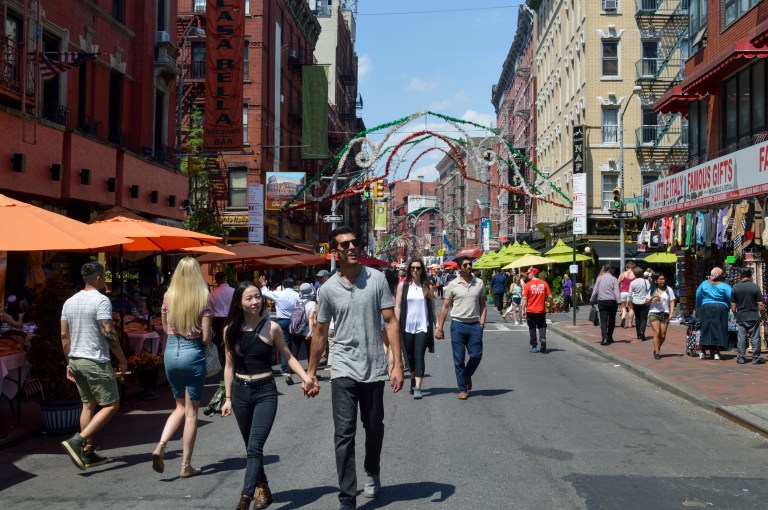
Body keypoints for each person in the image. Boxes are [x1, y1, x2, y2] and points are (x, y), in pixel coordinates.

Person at [307, 226, 404, 510]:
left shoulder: (376, 279)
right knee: (344, 433)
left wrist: (398, 365)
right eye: (345, 244)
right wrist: (311, 372)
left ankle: (372, 470)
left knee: (374, 427)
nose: (352, 247)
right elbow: (320, 332)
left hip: (373, 365)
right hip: (342, 367)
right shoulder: (327, 289)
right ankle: (347, 498)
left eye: (354, 242)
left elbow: (391, 321)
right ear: (335, 252)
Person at [221, 281, 316, 510]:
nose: (255, 302)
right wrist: (228, 398)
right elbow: (229, 366)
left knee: (255, 446)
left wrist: (306, 377)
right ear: (239, 303)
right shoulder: (229, 330)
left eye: (258, 296)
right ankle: (263, 487)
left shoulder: (272, 327)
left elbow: (288, 356)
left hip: (265, 392)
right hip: (240, 392)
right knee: (251, 447)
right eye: (249, 298)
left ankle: (245, 498)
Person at [60, 261, 128, 471]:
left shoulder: (69, 302)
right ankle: (78, 441)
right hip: (95, 360)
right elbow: (108, 332)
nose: (105, 280)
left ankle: (87, 452)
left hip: (76, 359)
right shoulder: (101, 300)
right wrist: (122, 358)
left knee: (88, 404)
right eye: (104, 276)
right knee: (111, 404)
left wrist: (69, 361)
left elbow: (64, 336)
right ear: (98, 278)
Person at [151, 257, 212, 478]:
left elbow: (165, 327)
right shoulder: (203, 296)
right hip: (192, 351)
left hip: (171, 352)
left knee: (178, 406)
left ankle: (161, 445)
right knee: (191, 412)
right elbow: (206, 337)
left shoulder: (168, 295)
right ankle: (186, 465)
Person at [435, 256, 486, 400]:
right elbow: (445, 307)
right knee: (459, 359)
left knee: (476, 355)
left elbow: (483, 305)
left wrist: (482, 323)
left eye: (470, 264)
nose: (469, 267)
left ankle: (467, 374)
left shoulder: (479, 283)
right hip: (457, 325)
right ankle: (462, 389)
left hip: (475, 325)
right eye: (465, 265)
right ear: (459, 268)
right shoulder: (453, 284)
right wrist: (440, 328)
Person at [395, 257, 436, 400]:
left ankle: (418, 387)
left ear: (422, 270)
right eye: (413, 268)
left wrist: (437, 326)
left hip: (423, 327)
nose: (415, 270)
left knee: (419, 355)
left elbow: (432, 309)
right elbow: (398, 306)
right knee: (410, 357)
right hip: (407, 326)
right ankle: (413, 378)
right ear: (409, 270)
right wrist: (395, 325)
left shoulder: (427, 286)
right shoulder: (403, 285)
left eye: (418, 268)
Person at [258, 276, 300, 385]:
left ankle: (285, 366)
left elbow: (265, 293)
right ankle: (293, 366)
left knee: (284, 344)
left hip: (282, 321)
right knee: (295, 345)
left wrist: (263, 285)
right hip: (295, 321)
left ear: (283, 286)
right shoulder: (297, 295)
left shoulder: (279, 294)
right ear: (293, 285)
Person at [731, 267, 766, 365]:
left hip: (741, 316)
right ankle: (756, 358)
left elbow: (733, 305)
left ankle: (741, 358)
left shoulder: (735, 287)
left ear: (740, 276)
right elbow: (761, 305)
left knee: (741, 338)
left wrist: (735, 315)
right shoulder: (755, 287)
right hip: (753, 316)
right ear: (750, 276)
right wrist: (762, 316)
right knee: (755, 338)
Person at [695, 267, 731, 360]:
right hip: (720, 308)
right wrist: (729, 306)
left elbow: (698, 295)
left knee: (705, 328)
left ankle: (702, 351)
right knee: (718, 328)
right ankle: (716, 352)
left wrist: (699, 306)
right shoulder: (724, 286)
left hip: (706, 307)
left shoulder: (704, 284)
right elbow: (731, 296)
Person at [520, 267, 552, 353]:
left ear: (532, 274)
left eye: (529, 274)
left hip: (531, 311)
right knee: (542, 326)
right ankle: (542, 338)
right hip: (541, 310)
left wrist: (522, 310)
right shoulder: (544, 284)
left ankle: (534, 347)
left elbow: (524, 299)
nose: (528, 275)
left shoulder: (528, 285)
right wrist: (550, 307)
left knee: (532, 328)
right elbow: (550, 297)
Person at [590, 265, 621, 345]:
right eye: (613, 269)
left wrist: (592, 300)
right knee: (612, 319)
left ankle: (604, 338)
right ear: (610, 269)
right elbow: (617, 292)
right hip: (612, 301)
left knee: (603, 320)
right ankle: (610, 337)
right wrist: (619, 302)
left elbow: (595, 290)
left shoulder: (599, 279)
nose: (614, 271)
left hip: (602, 301)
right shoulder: (614, 279)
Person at [649, 272, 676, 360]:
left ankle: (657, 348)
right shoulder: (652, 289)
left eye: (663, 279)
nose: (662, 281)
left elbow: (672, 301)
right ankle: (657, 352)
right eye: (660, 279)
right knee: (657, 332)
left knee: (663, 335)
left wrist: (671, 312)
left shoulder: (668, 289)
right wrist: (652, 297)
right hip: (654, 313)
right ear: (656, 281)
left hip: (665, 313)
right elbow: (646, 302)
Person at [209, 271, 235, 362]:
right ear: (226, 278)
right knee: (232, 338)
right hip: (231, 318)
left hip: (218, 320)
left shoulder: (213, 294)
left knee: (220, 340)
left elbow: (210, 310)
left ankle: (223, 359)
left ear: (216, 280)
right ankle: (232, 357)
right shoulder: (233, 291)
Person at [291, 283, 317, 364]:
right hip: (306, 330)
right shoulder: (312, 303)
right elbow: (311, 317)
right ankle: (310, 370)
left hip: (296, 329)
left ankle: (291, 370)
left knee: (295, 351)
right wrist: (311, 331)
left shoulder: (296, 302)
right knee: (310, 351)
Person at [628, 266, 651, 341]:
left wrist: (629, 302)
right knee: (644, 318)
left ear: (634, 274)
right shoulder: (646, 281)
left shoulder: (633, 282)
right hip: (645, 302)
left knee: (637, 318)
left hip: (635, 302)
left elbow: (630, 294)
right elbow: (649, 290)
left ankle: (638, 334)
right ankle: (642, 332)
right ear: (642, 273)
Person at [618, 261, 636, 328]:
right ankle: (630, 324)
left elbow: (617, 283)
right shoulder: (635, 274)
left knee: (623, 307)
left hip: (623, 292)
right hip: (631, 293)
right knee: (631, 308)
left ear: (626, 267)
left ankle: (623, 318)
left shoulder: (622, 274)